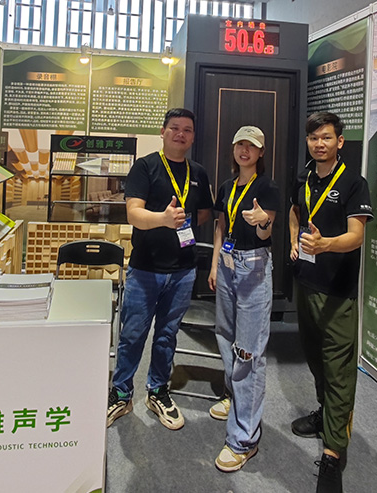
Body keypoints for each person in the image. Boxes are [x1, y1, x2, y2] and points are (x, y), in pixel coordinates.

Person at [107, 108, 213, 431]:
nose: (181, 134)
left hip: (183, 271)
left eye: (187, 130)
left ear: (193, 137)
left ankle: (157, 391)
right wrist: (164, 220)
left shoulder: (198, 172)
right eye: (175, 128)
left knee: (167, 335)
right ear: (163, 132)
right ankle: (121, 393)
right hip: (145, 269)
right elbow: (134, 214)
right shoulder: (145, 167)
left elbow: (204, 213)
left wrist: (182, 223)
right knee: (132, 334)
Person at [288, 112, 373, 493]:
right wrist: (295, 240)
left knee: (338, 369)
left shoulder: (354, 183)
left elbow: (356, 236)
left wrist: (324, 245)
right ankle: (325, 415)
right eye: (313, 138)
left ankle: (333, 452)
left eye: (325, 137)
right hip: (306, 284)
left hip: (338, 292)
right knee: (315, 359)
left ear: (339, 141)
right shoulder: (304, 177)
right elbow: (295, 210)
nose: (318, 144)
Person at [206, 126, 279, 472]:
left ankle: (244, 439)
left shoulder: (267, 188)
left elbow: (267, 230)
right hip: (227, 264)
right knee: (225, 335)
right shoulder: (227, 186)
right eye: (240, 144)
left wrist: (263, 221)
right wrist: (215, 264)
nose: (245, 150)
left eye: (252, 145)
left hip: (253, 267)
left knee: (249, 351)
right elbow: (221, 226)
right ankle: (234, 396)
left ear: (261, 152)